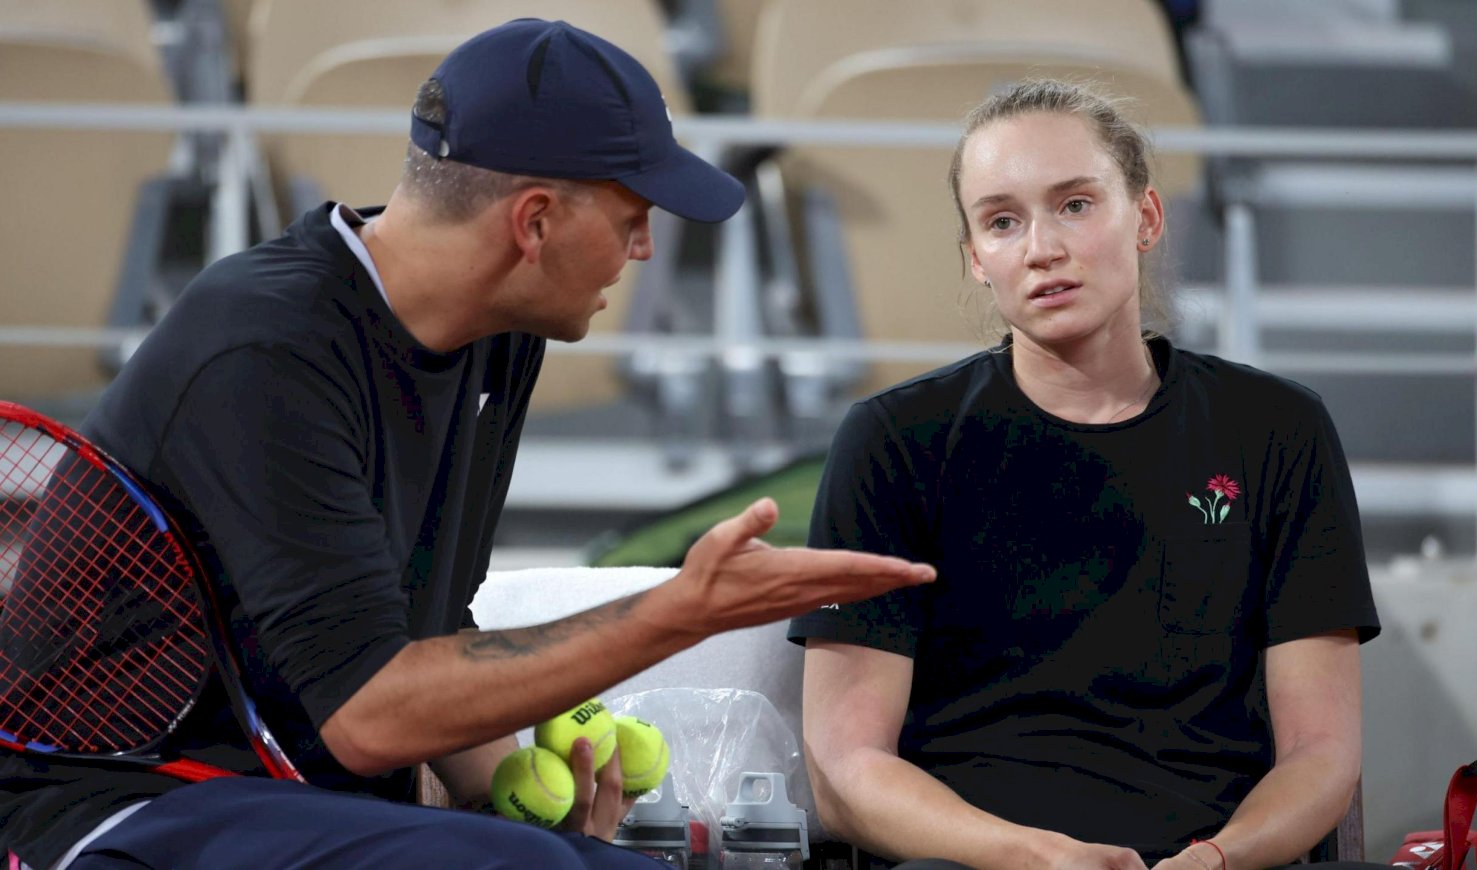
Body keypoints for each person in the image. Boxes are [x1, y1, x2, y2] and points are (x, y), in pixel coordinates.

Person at [0, 18, 937, 870]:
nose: (645, 250)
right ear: (534, 222)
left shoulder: (502, 330)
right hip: (113, 805)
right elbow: (374, 715)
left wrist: (505, 789)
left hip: (283, 802)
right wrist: (679, 612)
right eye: (631, 216)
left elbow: (428, 633)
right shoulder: (261, 348)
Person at [786, 79, 1383, 870]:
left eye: (1075, 204)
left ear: (1146, 217)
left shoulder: (1276, 428)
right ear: (975, 260)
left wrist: (1218, 860)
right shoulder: (895, 440)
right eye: (1002, 221)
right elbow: (846, 770)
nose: (1042, 248)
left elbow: (1320, 753)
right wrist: (1030, 857)